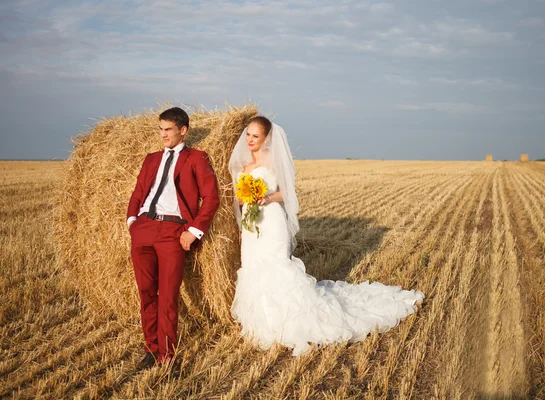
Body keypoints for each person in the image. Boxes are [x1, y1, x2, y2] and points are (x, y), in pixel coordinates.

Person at [228, 116, 424, 356]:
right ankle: (262, 322)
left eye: (255, 136)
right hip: (251, 226)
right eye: (248, 134)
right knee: (253, 266)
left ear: (267, 138)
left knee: (277, 266)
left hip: (271, 222)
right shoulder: (242, 163)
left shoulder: (273, 160)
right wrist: (245, 198)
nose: (249, 139)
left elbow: (287, 194)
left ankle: (288, 322)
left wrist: (267, 197)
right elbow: (237, 198)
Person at [127, 107, 220, 371]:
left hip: (172, 231)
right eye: (160, 129)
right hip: (143, 228)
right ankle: (151, 349)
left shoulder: (196, 158)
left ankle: (168, 357)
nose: (163, 134)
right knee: (146, 294)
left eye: (168, 129)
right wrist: (132, 221)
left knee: (167, 296)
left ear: (183, 130)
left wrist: (194, 231)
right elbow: (137, 193)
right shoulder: (151, 159)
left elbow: (211, 198)